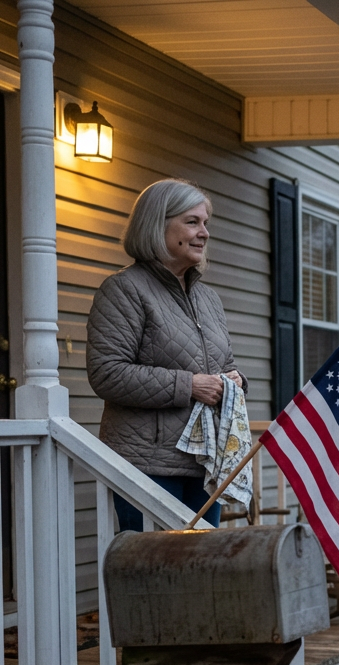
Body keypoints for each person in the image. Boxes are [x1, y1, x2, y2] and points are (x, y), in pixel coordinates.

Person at [87, 179, 246, 530]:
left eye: (206, 223)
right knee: (153, 576)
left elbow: (223, 365)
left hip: (204, 464)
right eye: (192, 222)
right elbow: (107, 373)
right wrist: (189, 385)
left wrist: (235, 381)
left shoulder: (208, 299)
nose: (204, 232)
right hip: (149, 465)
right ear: (157, 224)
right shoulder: (124, 290)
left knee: (201, 573)